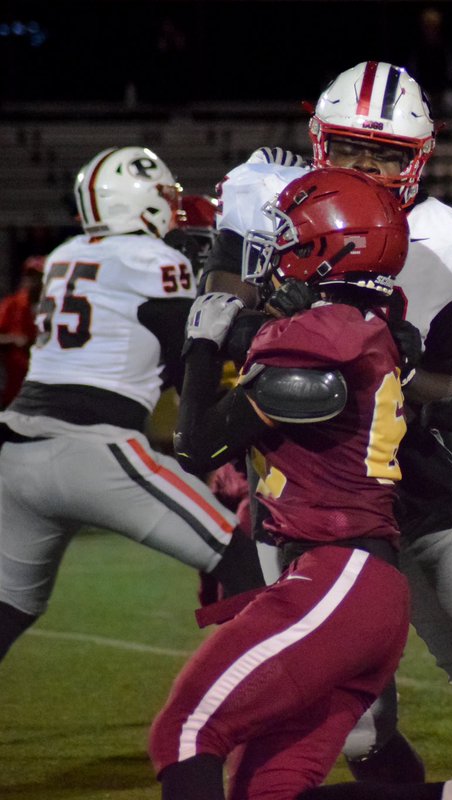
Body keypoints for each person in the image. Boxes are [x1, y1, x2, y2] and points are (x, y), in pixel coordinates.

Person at [200, 61, 452, 800]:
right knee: (358, 727)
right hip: (301, 506)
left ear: (418, 159)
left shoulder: (438, 249)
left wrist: (373, 363)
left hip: (418, 491)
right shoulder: (274, 222)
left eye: (388, 153)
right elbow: (213, 323)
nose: (369, 166)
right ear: (320, 144)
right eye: (354, 149)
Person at [150, 167, 452, 800]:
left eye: (291, 233)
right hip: (356, 583)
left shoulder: (318, 336)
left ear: (327, 245)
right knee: (269, 790)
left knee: (185, 732)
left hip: (335, 579)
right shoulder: (364, 328)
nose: (278, 248)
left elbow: (198, 444)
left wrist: (202, 344)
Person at [0, 146, 262, 665]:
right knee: (239, 557)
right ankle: (238, 707)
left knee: (10, 606)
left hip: (15, 451)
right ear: (140, 202)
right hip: (94, 450)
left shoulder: (65, 254)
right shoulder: (153, 259)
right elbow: (192, 357)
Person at [0, 255, 44, 406]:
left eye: (38, 276)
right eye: (30, 275)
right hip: (15, 385)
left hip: (45, 386)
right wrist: (14, 339)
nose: (33, 280)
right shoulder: (12, 304)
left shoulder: (56, 306)